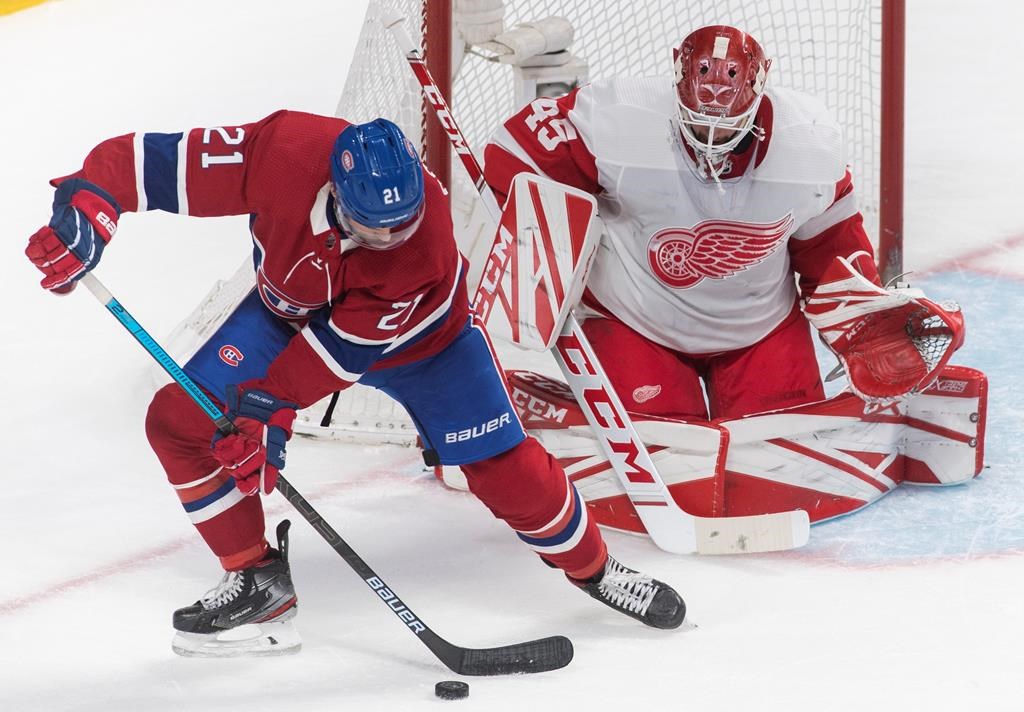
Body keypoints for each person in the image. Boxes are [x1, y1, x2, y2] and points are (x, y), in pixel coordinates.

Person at [25, 113, 686, 657]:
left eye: (397, 223)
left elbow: (332, 356)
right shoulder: (282, 151)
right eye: (371, 224)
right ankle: (257, 578)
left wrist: (265, 418)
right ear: (337, 192)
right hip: (285, 320)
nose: (386, 236)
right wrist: (90, 205)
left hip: (429, 346)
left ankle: (596, 569)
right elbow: (146, 162)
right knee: (177, 422)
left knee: (503, 468)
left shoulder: (417, 249)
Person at [483, 24, 962, 424]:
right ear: (675, 79)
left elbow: (830, 248)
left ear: (760, 86)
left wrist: (863, 318)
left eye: (728, 127)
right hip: (634, 321)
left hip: (760, 329)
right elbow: (511, 152)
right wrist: (547, 258)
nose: (712, 139)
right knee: (665, 440)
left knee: (782, 445)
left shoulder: (808, 145)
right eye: (696, 122)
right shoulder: (617, 117)